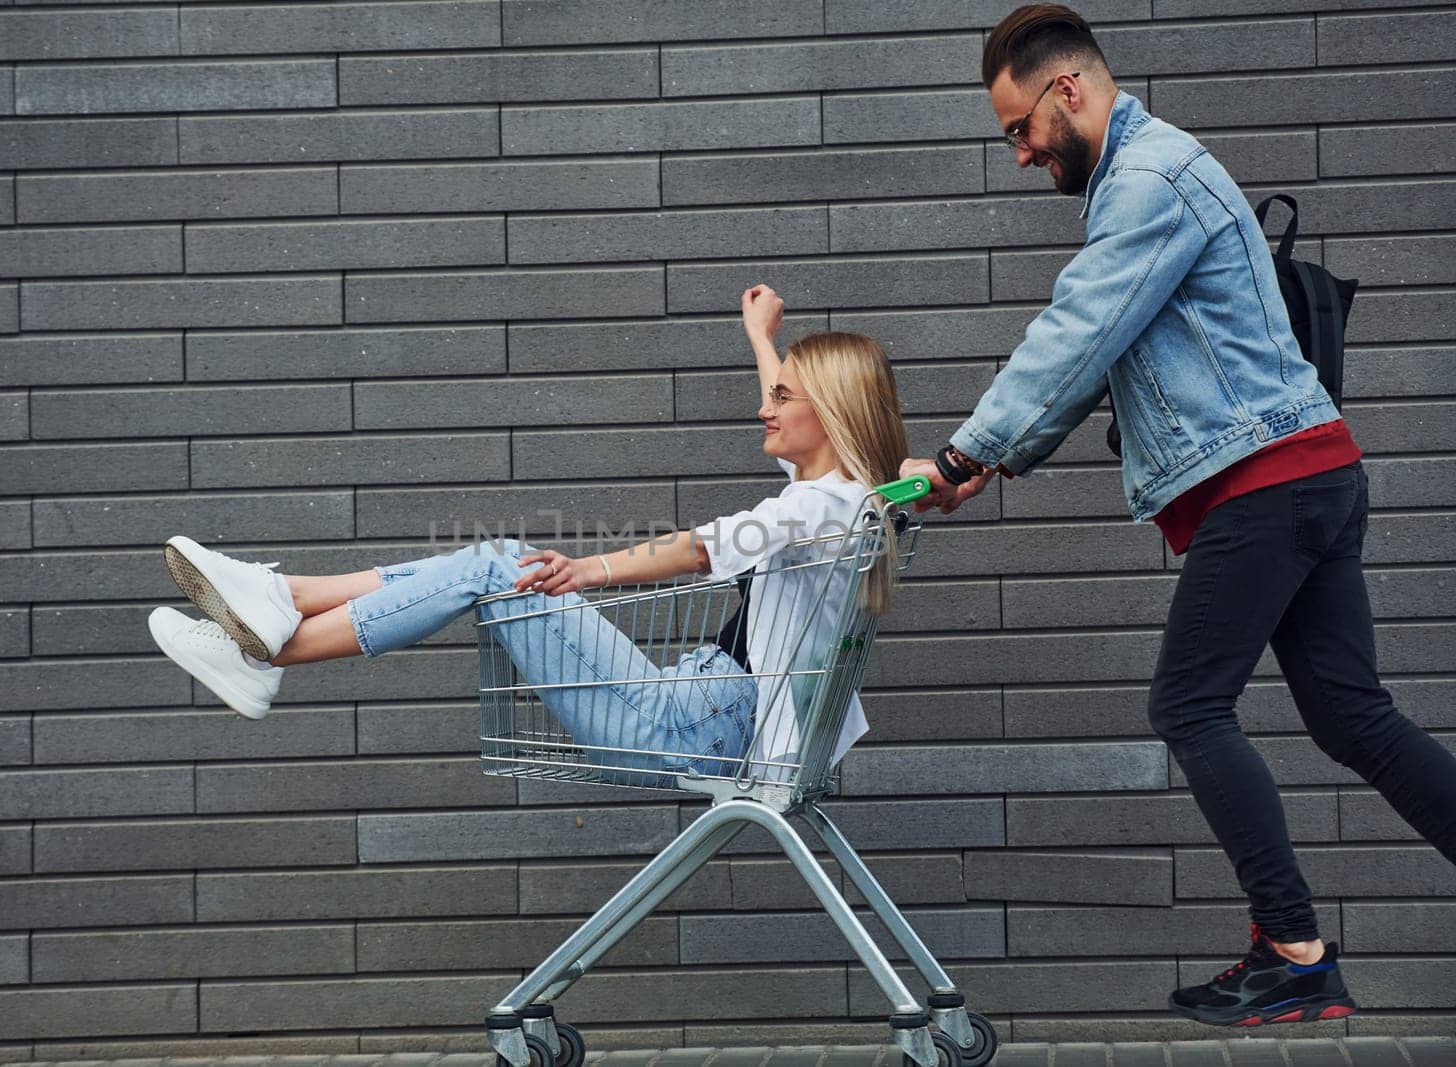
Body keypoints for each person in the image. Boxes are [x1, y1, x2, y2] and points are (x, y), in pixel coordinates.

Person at [895, 2, 1456, 1029]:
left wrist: (963, 449)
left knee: (1188, 705)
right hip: (1307, 473)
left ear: (1068, 89)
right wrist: (992, 461)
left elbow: (1076, 329)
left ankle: (1291, 951)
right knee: (1350, 714)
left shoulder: (1148, 181)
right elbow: (1105, 351)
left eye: (1019, 126)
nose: (1018, 153)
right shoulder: (1148, 178)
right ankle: (1290, 953)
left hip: (1266, 484)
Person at [148, 286, 909, 784]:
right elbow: (810, 422)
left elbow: (700, 548)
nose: (763, 408)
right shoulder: (838, 499)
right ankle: (274, 616)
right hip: (698, 709)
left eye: (780, 398)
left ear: (830, 411)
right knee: (494, 562)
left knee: (498, 567)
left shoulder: (819, 508)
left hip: (689, 724)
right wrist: (760, 338)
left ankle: (273, 630)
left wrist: (586, 570)